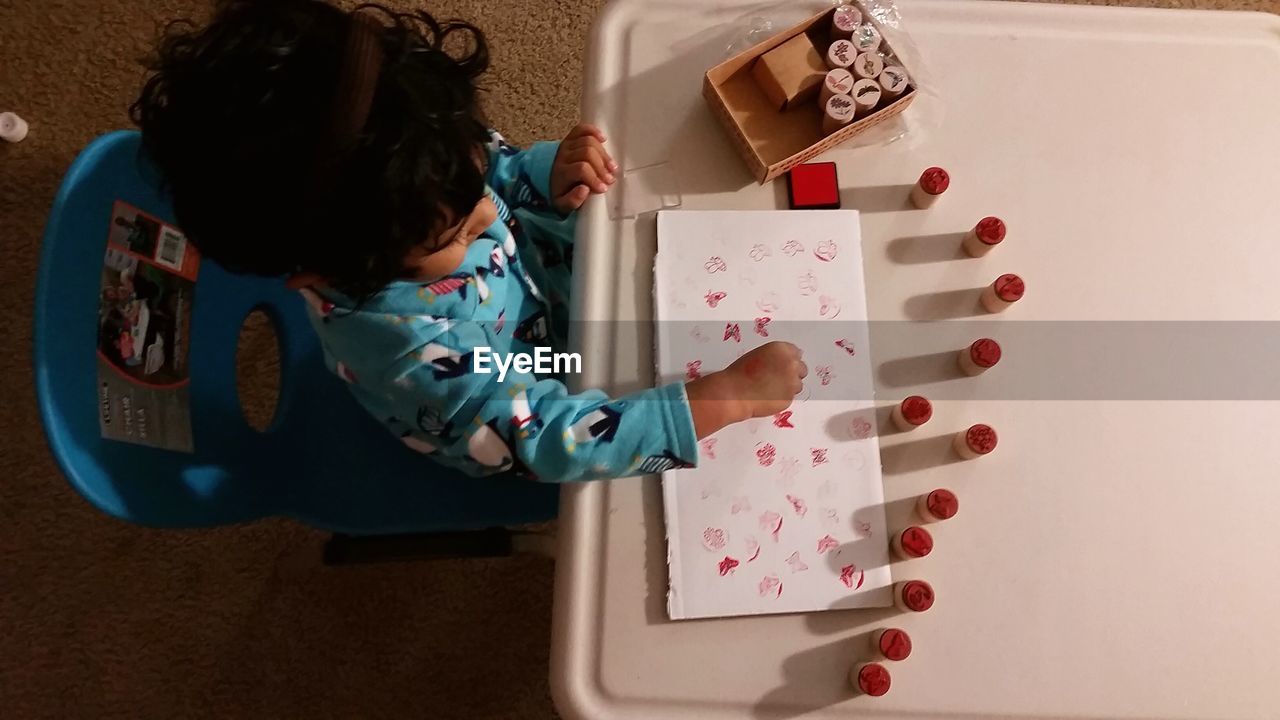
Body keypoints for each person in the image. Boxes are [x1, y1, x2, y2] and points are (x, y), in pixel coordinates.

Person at [130, 0, 805, 482]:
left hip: (553, 292)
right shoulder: (409, 355)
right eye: (453, 234)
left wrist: (542, 172)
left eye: (473, 181)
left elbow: (495, 175)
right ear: (319, 274)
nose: (487, 213)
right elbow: (543, 440)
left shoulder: (418, 154)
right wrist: (723, 404)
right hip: (525, 395)